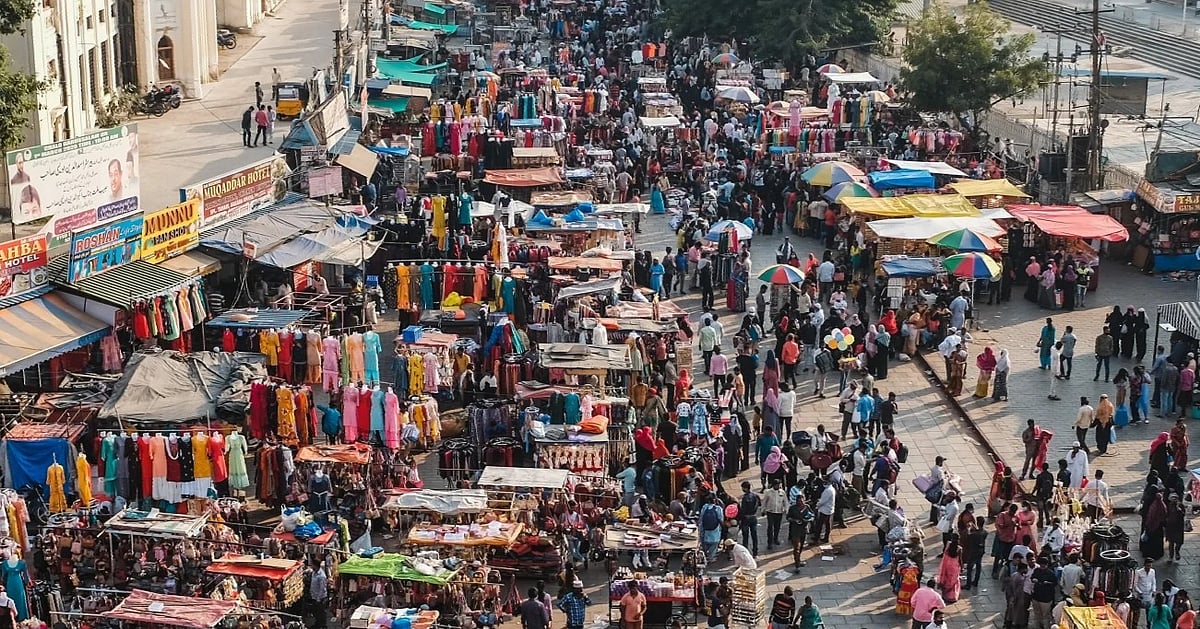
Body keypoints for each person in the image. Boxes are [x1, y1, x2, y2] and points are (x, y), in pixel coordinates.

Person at [1030, 556, 1058, 629]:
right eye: (1041, 565)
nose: (1042, 566)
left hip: (1046, 598)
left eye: (1044, 565)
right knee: (1037, 614)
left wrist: (1048, 583)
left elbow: (1055, 583)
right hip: (1036, 596)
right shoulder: (1036, 571)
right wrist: (1033, 579)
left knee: (1045, 616)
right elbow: (1032, 577)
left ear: (1047, 565)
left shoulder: (1050, 573)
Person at [787, 494, 811, 571]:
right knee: (796, 548)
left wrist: (808, 519)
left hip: (804, 530)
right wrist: (794, 520)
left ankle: (798, 559)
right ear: (796, 501)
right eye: (799, 501)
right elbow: (788, 517)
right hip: (795, 530)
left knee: (801, 546)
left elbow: (812, 516)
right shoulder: (792, 508)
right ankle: (797, 565)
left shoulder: (807, 507)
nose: (801, 503)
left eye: (802, 501)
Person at [937, 535, 963, 603]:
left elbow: (945, 555)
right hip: (954, 566)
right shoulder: (959, 548)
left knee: (946, 579)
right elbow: (960, 559)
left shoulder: (948, 545)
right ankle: (952, 596)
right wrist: (962, 567)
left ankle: (945, 595)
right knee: (953, 581)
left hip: (947, 565)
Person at [738, 481, 762, 555]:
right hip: (753, 517)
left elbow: (743, 509)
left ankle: (745, 551)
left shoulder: (745, 498)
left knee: (745, 536)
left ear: (745, 488)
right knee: (754, 535)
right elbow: (759, 504)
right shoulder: (755, 496)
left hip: (746, 518)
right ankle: (755, 551)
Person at [764, 479, 787, 549]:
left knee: (777, 527)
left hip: (779, 512)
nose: (778, 486)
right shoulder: (768, 492)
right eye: (777, 485)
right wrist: (763, 510)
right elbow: (764, 501)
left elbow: (785, 502)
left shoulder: (782, 492)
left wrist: (786, 510)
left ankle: (775, 539)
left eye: (779, 485)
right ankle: (769, 542)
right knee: (770, 527)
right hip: (770, 512)